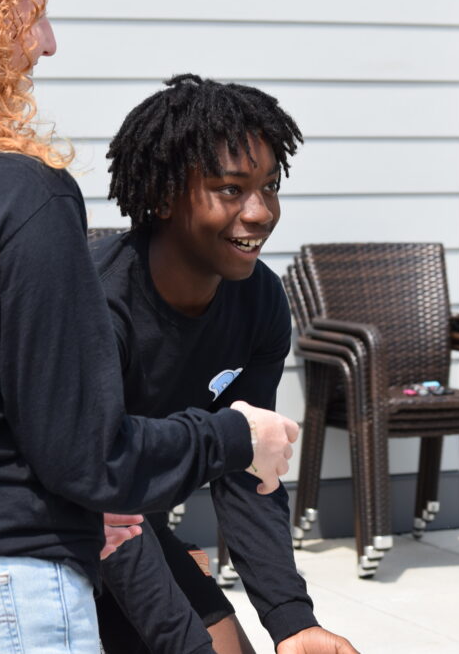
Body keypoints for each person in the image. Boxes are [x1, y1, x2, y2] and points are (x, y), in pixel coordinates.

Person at [0, 0, 299, 651]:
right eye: (33, 18)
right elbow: (86, 458)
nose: (48, 44)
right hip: (1, 595)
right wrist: (234, 436)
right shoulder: (28, 195)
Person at [91, 75, 358, 654]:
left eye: (269, 186)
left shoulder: (260, 300)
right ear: (163, 195)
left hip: (136, 525)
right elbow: (98, 491)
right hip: (53, 537)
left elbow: (250, 468)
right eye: (230, 190)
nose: (260, 212)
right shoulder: (96, 304)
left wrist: (293, 621)